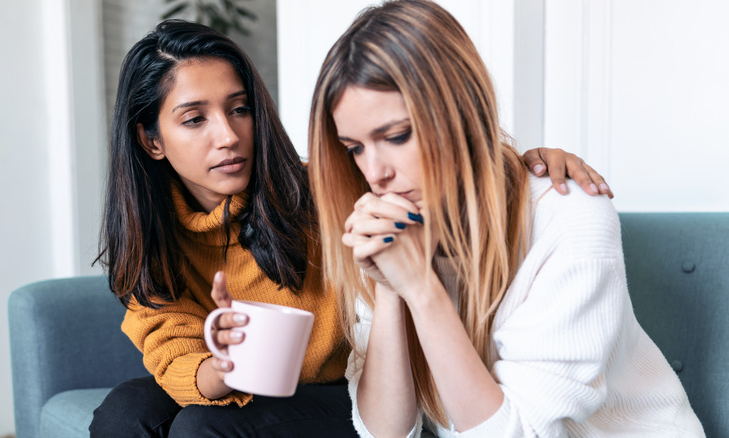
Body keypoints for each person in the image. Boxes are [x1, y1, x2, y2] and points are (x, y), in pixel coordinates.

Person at [90, 18, 610, 438]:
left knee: (204, 426)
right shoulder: (152, 241)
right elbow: (174, 353)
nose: (228, 135)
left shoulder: (331, 193)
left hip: (343, 387)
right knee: (125, 412)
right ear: (151, 140)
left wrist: (523, 164)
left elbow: (448, 169)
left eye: (240, 108)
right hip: (264, 385)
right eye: (194, 119)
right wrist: (225, 365)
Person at [308, 1, 704, 437]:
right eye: (355, 148)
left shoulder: (569, 217)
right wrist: (391, 288)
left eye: (398, 135)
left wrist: (422, 288)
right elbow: (384, 432)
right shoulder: (393, 224)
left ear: (462, 112)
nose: (374, 172)